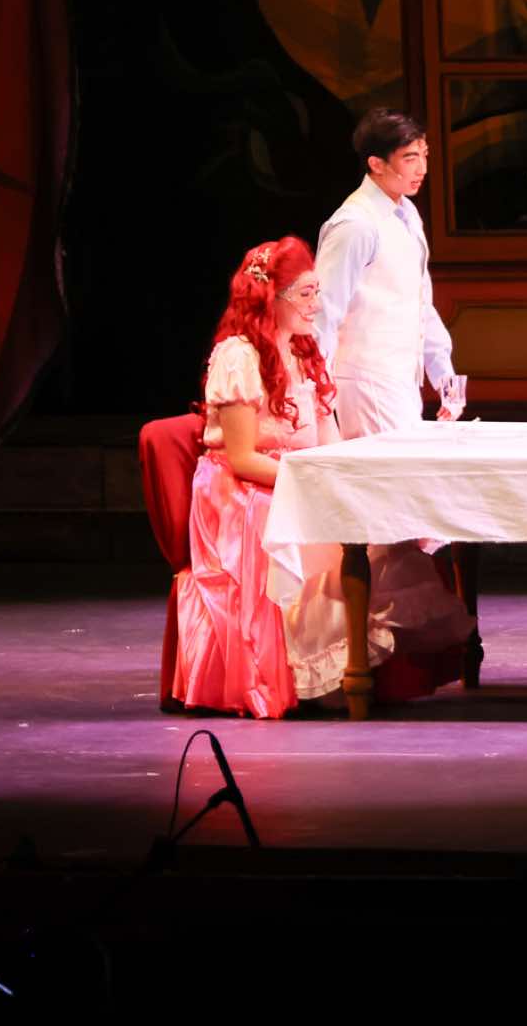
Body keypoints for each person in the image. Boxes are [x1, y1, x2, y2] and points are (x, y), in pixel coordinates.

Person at [170, 237, 375, 717]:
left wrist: (343, 481)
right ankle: (288, 673)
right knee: (290, 527)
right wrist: (308, 486)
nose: (316, 304)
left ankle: (340, 668)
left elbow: (328, 440)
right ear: (271, 298)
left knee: (367, 531)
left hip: (295, 479)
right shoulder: (238, 356)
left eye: (316, 292)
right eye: (305, 293)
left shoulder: (304, 352)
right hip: (243, 489)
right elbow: (242, 459)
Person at [313, 108, 477, 708]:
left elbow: (420, 302)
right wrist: (315, 388)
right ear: (376, 164)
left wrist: (443, 371)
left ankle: (397, 660)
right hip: (361, 381)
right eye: (410, 159)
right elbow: (325, 310)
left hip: (398, 381)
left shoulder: (406, 215)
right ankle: (364, 658)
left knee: (405, 518)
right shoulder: (354, 225)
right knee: (384, 519)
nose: (421, 168)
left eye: (424, 155)